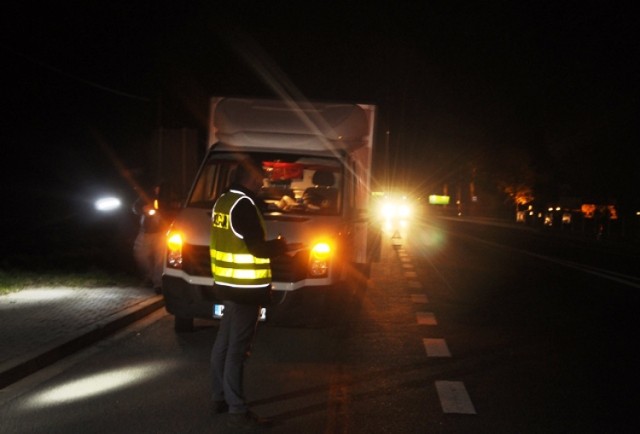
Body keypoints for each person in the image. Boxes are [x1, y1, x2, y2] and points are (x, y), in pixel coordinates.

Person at [209, 158, 288, 430]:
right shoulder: (244, 205)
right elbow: (256, 249)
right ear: (251, 178)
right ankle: (237, 409)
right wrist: (280, 247)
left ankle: (219, 397)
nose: (263, 181)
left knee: (223, 344)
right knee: (237, 350)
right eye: (261, 177)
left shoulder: (223, 201)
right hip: (245, 290)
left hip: (226, 285)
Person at [132, 183, 166, 294]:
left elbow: (171, 209)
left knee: (160, 259)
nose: (157, 189)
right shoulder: (146, 196)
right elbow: (135, 207)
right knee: (140, 254)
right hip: (146, 232)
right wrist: (143, 209)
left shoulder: (167, 196)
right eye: (156, 187)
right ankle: (150, 277)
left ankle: (158, 284)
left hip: (161, 232)